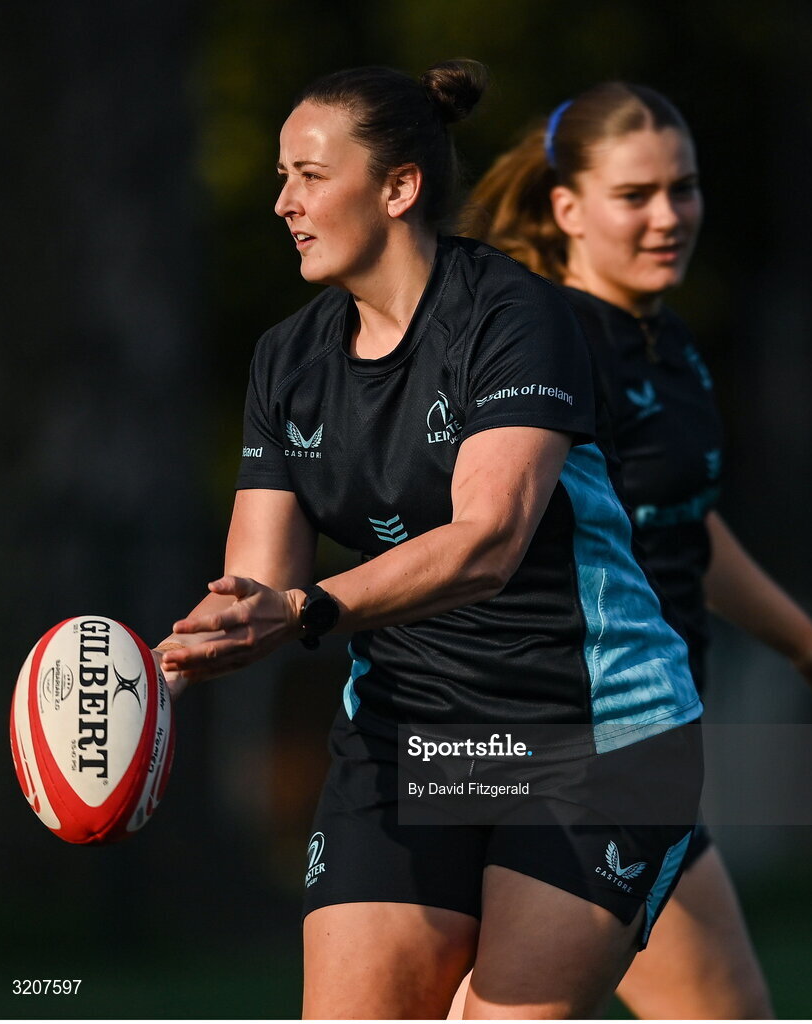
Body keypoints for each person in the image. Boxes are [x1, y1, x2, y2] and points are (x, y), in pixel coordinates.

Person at [155, 62, 708, 1019]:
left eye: (310, 175)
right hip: (411, 740)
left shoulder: (516, 315)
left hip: (593, 740)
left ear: (401, 186)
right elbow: (259, 579)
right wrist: (156, 663)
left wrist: (305, 611)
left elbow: (487, 540)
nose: (283, 201)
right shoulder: (287, 358)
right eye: (281, 176)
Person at [458, 80, 812, 1019]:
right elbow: (474, 533)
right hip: (565, 754)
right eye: (636, 195)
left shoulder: (667, 343)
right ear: (567, 207)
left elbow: (683, 516)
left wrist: (808, 647)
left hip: (644, 758)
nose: (668, 217)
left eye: (683, 189)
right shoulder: (544, 342)